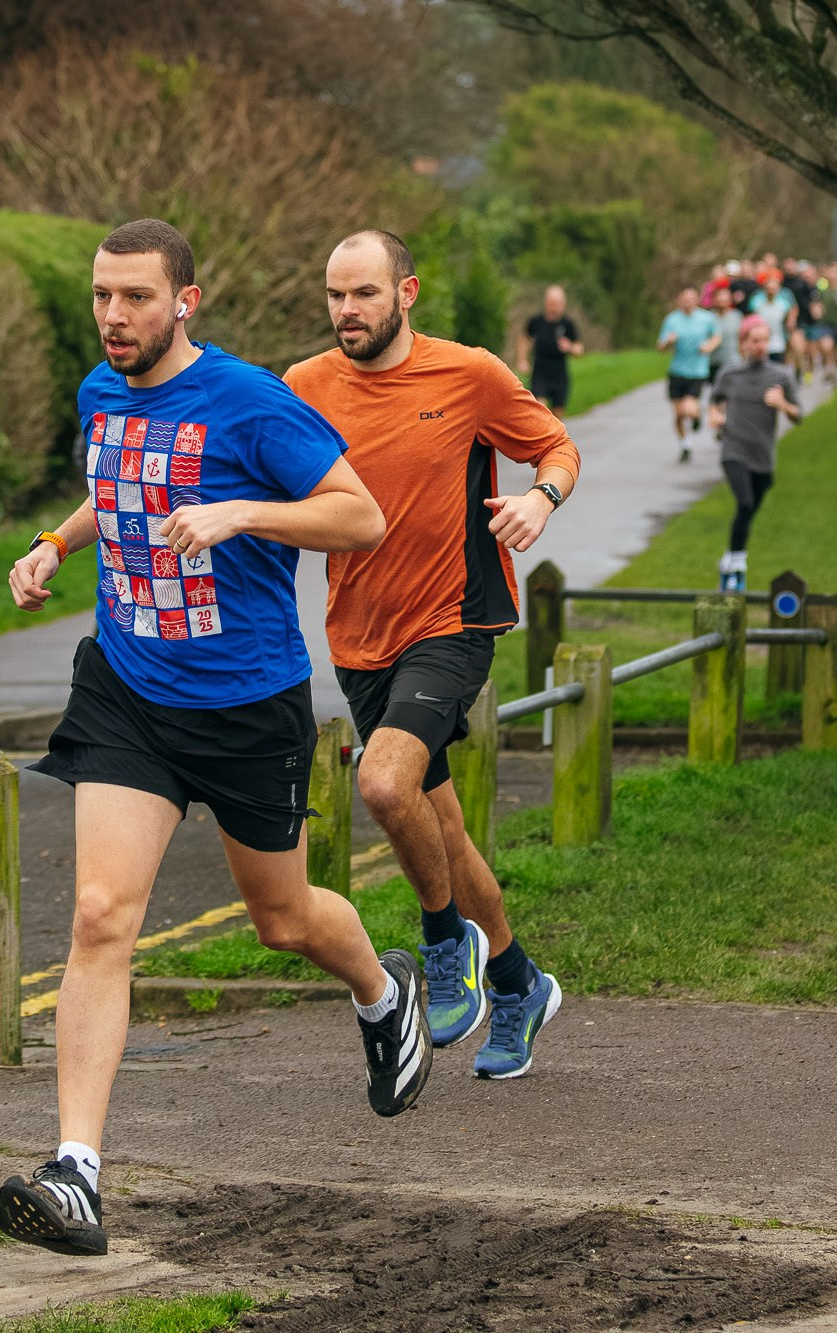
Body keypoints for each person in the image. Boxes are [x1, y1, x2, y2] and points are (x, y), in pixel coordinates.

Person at [0, 219, 429, 1259]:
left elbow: (356, 516)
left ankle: (382, 991)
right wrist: (56, 542)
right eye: (101, 296)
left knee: (281, 920)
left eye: (135, 298)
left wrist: (241, 514)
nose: (113, 317)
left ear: (185, 302)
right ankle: (77, 1173)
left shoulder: (249, 402)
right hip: (128, 691)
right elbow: (124, 490)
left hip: (244, 705)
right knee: (102, 914)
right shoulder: (103, 394)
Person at [286, 230, 581, 1078]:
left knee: (382, 783)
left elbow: (556, 444)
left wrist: (541, 499)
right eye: (336, 295)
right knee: (440, 830)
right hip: (359, 635)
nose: (348, 311)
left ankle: (445, 943)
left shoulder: (470, 374)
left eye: (365, 294)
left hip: (453, 622)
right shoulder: (304, 386)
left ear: (405, 292)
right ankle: (522, 983)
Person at [708, 315, 801, 590]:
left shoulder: (780, 375)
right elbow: (715, 401)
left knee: (748, 510)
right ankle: (737, 562)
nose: (761, 346)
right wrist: (715, 416)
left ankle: (729, 559)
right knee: (745, 503)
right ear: (743, 344)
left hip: (763, 456)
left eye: (765, 340)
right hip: (733, 450)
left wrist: (782, 403)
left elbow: (799, 415)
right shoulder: (730, 374)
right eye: (755, 341)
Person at [657, 286, 721, 463]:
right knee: (678, 414)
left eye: (691, 299)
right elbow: (660, 347)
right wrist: (668, 342)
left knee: (688, 408)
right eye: (684, 299)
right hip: (677, 371)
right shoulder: (672, 319)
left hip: (698, 372)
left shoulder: (706, 318)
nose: (687, 302)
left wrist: (709, 346)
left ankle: (696, 415)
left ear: (697, 300)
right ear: (679, 301)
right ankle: (685, 444)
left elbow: (717, 337)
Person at [518, 285, 583, 415]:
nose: (554, 308)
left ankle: (554, 435)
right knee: (541, 412)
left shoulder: (567, 324)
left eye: (558, 304)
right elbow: (524, 338)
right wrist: (522, 360)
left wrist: (569, 347)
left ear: (563, 304)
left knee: (557, 418)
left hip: (559, 376)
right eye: (552, 304)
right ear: (546, 302)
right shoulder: (536, 322)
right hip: (540, 375)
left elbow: (579, 350)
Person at [747, 268, 797, 365]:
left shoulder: (784, 303)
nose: (771, 286)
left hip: (778, 344)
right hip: (760, 345)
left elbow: (790, 318)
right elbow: (750, 319)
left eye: (774, 283)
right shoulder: (756, 301)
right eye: (769, 283)